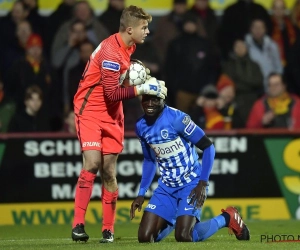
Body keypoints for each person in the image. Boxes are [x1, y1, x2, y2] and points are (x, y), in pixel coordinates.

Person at [71, 5, 167, 243]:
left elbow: (120, 83)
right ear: (130, 29)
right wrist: (143, 87)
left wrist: (142, 73)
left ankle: (108, 229)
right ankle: (78, 225)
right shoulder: (111, 54)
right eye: (144, 28)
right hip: (90, 110)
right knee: (92, 163)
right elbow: (112, 93)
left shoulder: (128, 46)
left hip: (113, 116)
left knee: (109, 173)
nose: (147, 32)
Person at [130, 94, 250, 243]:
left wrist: (202, 183)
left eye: (155, 99)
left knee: (184, 236)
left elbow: (208, 147)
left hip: (190, 183)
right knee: (145, 238)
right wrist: (141, 193)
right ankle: (177, 218)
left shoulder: (177, 119)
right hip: (166, 187)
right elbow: (149, 160)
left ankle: (226, 218)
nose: (149, 103)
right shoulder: (140, 125)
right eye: (146, 99)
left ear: (163, 100)